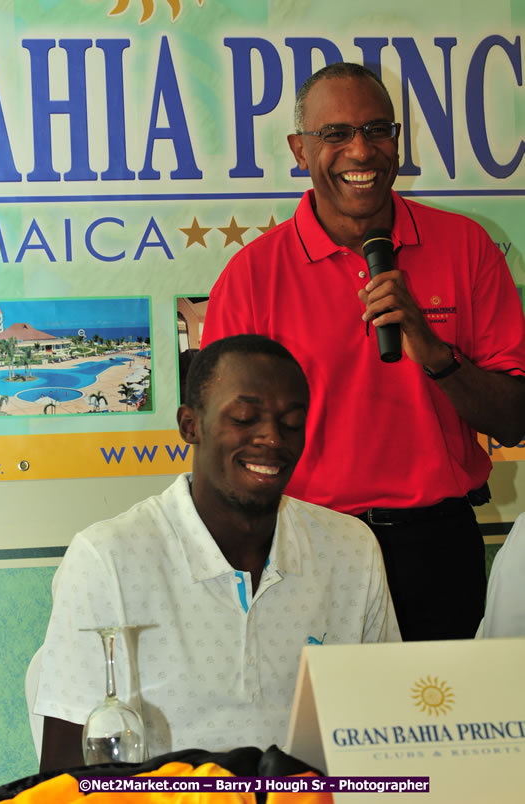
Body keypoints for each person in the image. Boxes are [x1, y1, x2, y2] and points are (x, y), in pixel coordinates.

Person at [201, 63, 525, 642]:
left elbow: (517, 417)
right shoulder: (252, 275)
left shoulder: (467, 246)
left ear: (397, 142)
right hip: (307, 547)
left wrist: (434, 352)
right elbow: (222, 441)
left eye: (378, 130)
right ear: (300, 150)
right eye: (336, 134)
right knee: (313, 732)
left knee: (443, 726)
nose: (361, 150)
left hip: (438, 546)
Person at [35, 334, 399, 772]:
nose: (271, 438)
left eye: (291, 422)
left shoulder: (350, 551)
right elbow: (62, 779)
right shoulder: (107, 559)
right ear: (190, 425)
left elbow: (383, 734)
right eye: (245, 418)